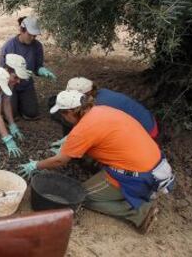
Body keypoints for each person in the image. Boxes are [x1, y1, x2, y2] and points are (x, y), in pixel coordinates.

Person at [19, 90, 174, 234]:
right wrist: (71, 144)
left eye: (63, 114)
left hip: (137, 175)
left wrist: (36, 165)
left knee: (80, 197)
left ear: (71, 112)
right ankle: (135, 193)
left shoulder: (84, 129)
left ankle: (139, 212)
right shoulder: (102, 110)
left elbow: (61, 160)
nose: (63, 118)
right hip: (156, 164)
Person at [50, 76, 159, 152]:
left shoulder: (98, 106)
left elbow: (90, 129)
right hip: (149, 124)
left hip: (145, 135)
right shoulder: (102, 93)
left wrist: (72, 141)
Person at [0, 16, 56, 120]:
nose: (33, 38)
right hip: (11, 84)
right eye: (30, 35)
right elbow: (3, 71)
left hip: (26, 84)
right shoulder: (9, 46)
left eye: (35, 36)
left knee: (31, 113)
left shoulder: (37, 46)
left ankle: (22, 102)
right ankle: (15, 102)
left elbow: (37, 67)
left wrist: (42, 71)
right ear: (21, 30)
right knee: (10, 115)